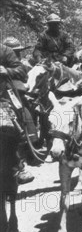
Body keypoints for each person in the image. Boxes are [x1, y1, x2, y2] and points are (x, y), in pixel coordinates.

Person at [0, 42, 37, 184]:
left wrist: (7, 71)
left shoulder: (4, 50)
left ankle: (19, 165)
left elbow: (21, 70)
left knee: (13, 125)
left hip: (2, 96)